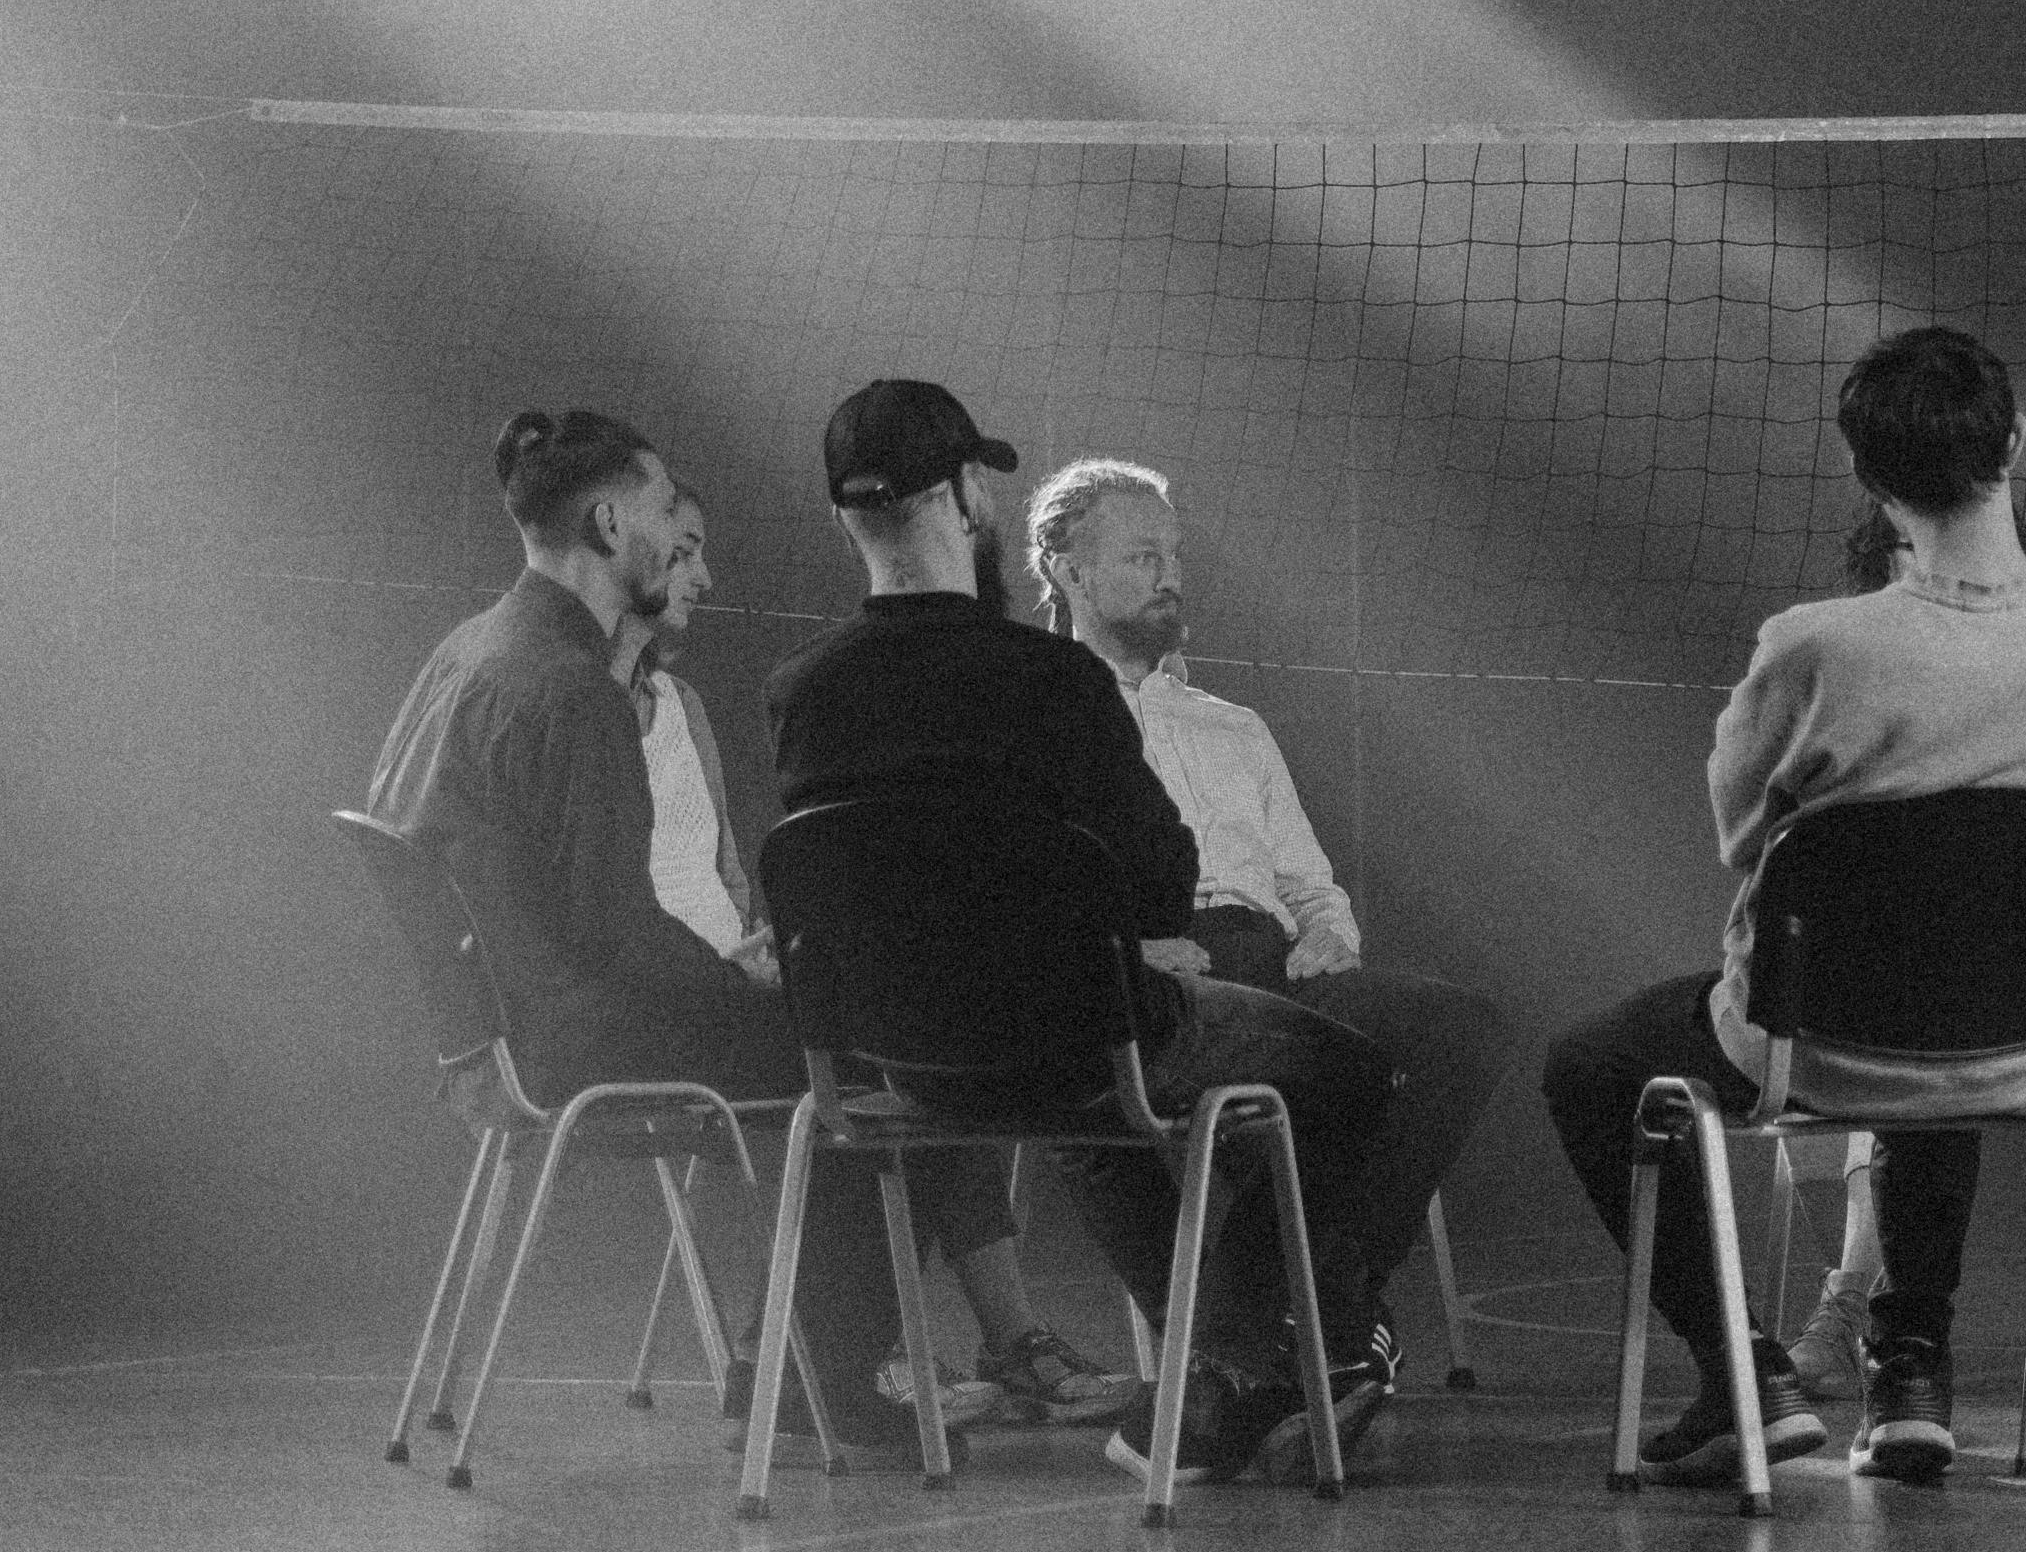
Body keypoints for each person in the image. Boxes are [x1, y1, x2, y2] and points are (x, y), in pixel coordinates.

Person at [1541, 323, 2026, 1487]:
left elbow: (1739, 839)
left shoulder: (1815, 645)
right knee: (1955, 995)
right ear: (2015, 441)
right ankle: (1910, 1367)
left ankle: (1745, 1376)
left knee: (1588, 1066)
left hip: (1813, 1042)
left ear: (1868, 479)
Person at [765, 375, 1401, 1487]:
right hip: (1076, 1044)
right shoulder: (1051, 679)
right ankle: (1249, 1351)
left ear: (843, 516)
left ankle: (1231, 1362)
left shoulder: (800, 692)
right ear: (968, 497)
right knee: (1354, 1078)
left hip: (896, 1068)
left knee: (1100, 1084)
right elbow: (1160, 875)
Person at [365, 400, 923, 1459]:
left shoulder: (464, 650)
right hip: (580, 1044)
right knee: (871, 1048)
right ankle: (818, 1378)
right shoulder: (576, 692)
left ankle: (792, 1362)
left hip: (502, 1036)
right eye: (669, 507)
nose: (681, 533)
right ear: (613, 527)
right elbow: (621, 941)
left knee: (825, 1020)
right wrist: (755, 985)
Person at [621, 488, 1124, 1432]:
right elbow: (614, 904)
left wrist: (762, 937)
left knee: (904, 1010)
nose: (703, 575)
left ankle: (804, 1354)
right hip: (682, 994)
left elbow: (725, 864)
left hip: (734, 965)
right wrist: (732, 969)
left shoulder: (679, 702)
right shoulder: (581, 704)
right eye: (684, 552)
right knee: (899, 1038)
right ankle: (850, 1361)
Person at [1025, 454, 1511, 1401]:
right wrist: (1121, 947)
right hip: (1153, 972)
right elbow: (1028, 884)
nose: (1170, 576)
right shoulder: (1038, 715)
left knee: (1461, 1027)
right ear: (1065, 571)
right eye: (1139, 558)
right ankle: (1285, 1331)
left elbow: (1313, 884)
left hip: (1275, 960)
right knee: (1121, 1082)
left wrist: (1334, 937)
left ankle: (1322, 1298)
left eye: (1173, 555)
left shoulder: (1234, 725)